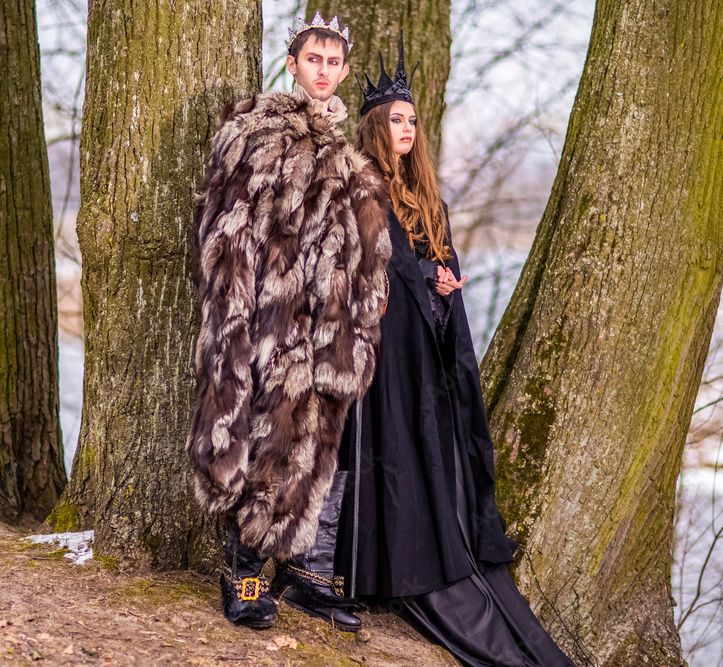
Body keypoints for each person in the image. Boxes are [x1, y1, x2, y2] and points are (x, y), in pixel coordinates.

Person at [334, 34, 577, 666]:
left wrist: (444, 285)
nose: (407, 130)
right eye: (396, 121)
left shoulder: (426, 198)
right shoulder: (361, 190)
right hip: (382, 359)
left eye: (413, 121)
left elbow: (436, 270)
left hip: (425, 359)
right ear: (374, 128)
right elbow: (363, 271)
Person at [186, 13, 392, 632]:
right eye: (313, 60)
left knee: (306, 448)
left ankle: (286, 567)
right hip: (270, 315)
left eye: (333, 63)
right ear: (293, 65)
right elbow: (228, 229)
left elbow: (364, 255)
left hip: (325, 333)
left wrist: (359, 321)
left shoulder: (352, 162)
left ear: (344, 71)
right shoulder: (261, 133)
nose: (323, 72)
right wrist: (237, 310)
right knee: (255, 434)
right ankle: (243, 569)